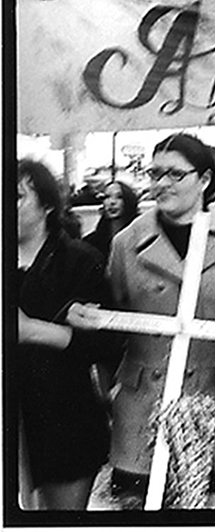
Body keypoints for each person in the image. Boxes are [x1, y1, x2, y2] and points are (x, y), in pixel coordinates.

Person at [68, 133, 215, 509]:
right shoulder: (127, 244)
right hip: (144, 406)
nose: (162, 183)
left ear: (205, 180)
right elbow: (113, 318)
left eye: (175, 174)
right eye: (156, 173)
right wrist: (90, 324)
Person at [16, 159, 119, 509]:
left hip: (62, 419)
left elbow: (105, 343)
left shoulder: (79, 260)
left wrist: (34, 331)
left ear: (46, 205)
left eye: (15, 196)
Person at [84, 180, 141, 259]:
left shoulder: (141, 237)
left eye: (119, 197)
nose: (112, 202)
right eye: (107, 197)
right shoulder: (91, 242)